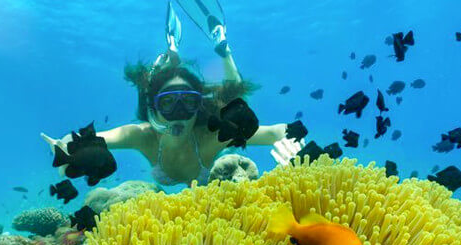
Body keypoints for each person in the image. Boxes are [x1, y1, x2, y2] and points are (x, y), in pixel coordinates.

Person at [42, 1, 300, 186]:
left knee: (236, 105)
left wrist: (294, 146)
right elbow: (84, 139)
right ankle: (167, 59)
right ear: (154, 109)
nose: (179, 113)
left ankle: (223, 49)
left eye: (188, 102)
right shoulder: (142, 135)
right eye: (168, 102)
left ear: (199, 107)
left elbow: (279, 131)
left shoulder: (213, 135)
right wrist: (61, 148)